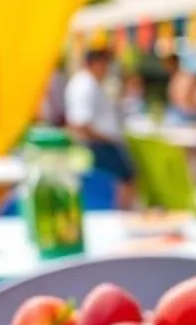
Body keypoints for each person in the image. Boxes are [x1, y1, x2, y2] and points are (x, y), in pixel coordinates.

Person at [65, 48, 134, 208]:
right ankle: (121, 215)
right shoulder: (84, 84)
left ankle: (120, 214)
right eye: (104, 63)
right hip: (97, 144)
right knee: (121, 181)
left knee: (118, 182)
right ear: (94, 63)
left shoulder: (90, 82)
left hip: (99, 142)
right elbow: (80, 123)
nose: (106, 68)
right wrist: (106, 139)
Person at [166, 54, 196, 125]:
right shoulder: (177, 78)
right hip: (181, 113)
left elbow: (186, 99)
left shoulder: (186, 77)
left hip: (187, 114)